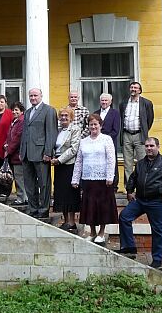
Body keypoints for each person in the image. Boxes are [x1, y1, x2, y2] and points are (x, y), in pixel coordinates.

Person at [116, 137, 162, 270]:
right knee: (124, 217)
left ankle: (157, 260)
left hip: (157, 201)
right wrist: (129, 191)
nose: (149, 148)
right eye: (146, 146)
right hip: (140, 200)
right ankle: (129, 248)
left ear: (158, 147)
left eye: (151, 146)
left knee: (157, 230)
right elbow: (133, 178)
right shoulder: (140, 163)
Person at [71, 114, 117, 245]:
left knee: (102, 207)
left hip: (103, 180)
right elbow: (79, 161)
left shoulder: (106, 139)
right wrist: (75, 179)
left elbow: (111, 158)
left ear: (100, 125)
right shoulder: (83, 141)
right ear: (88, 126)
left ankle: (101, 233)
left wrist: (110, 176)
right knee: (89, 206)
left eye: (96, 124)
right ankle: (92, 232)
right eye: (91, 124)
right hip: (87, 179)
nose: (93, 126)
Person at [20, 88, 57, 218]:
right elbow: (24, 133)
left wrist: (48, 152)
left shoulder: (49, 110)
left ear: (41, 96)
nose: (33, 98)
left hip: (41, 153)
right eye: (31, 96)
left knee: (44, 183)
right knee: (29, 184)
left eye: (35, 95)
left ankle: (44, 209)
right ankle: (33, 208)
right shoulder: (28, 112)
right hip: (26, 154)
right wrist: (21, 151)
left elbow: (51, 133)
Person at [51, 108, 81, 233]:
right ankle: (65, 221)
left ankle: (72, 222)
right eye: (61, 115)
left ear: (71, 117)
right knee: (61, 192)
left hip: (69, 164)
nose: (63, 117)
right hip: (58, 165)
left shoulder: (75, 129)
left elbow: (74, 149)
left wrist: (59, 160)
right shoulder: (58, 130)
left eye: (66, 115)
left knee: (70, 193)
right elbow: (54, 146)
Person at [119, 81, 154, 183]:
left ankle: (142, 184)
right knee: (127, 163)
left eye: (135, 88)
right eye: (131, 87)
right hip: (126, 134)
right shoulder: (123, 103)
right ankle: (129, 187)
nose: (133, 89)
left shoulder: (146, 103)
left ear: (140, 90)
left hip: (140, 135)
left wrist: (144, 130)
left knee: (142, 161)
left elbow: (150, 119)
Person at [94, 93, 121, 189]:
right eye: (102, 100)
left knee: (111, 161)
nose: (104, 102)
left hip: (110, 141)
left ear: (110, 102)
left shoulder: (115, 113)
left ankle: (114, 185)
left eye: (106, 100)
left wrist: (105, 139)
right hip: (97, 142)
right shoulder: (96, 113)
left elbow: (116, 130)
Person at [4, 101, 26, 206]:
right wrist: (6, 144)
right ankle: (21, 197)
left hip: (18, 155)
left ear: (22, 111)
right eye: (13, 110)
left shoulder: (22, 121)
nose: (14, 112)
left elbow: (17, 138)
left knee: (19, 178)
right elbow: (10, 136)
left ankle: (22, 198)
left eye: (16, 110)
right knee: (17, 178)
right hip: (13, 154)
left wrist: (8, 151)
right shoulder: (14, 121)